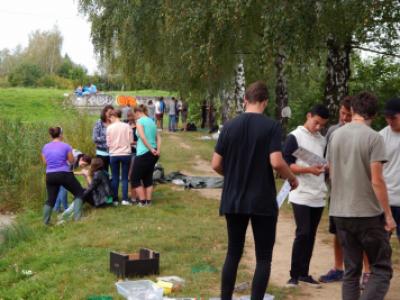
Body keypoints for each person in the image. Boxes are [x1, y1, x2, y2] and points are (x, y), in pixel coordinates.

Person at [211, 81, 298, 299]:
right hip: (262, 199)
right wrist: (292, 178)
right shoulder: (271, 126)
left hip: (233, 198)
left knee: (233, 252)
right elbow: (277, 162)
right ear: (265, 102)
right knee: (263, 257)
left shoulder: (229, 126)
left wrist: (231, 176)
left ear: (245, 100)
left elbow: (215, 164)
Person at [328, 92, 396, 300]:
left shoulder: (335, 135)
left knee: (351, 271)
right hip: (367, 213)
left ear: (353, 110)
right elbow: (377, 180)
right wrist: (388, 215)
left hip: (340, 211)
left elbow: (331, 172)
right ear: (374, 114)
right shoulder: (374, 138)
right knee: (382, 269)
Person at [283, 104, 330, 287]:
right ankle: (293, 275)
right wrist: (308, 169)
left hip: (318, 194)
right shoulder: (295, 137)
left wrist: (324, 168)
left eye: (322, 125)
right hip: (300, 192)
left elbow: (323, 163)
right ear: (308, 116)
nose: (318, 127)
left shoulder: (322, 140)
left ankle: (304, 273)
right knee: (302, 232)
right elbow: (287, 165)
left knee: (311, 235)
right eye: (316, 122)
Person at [319, 96, 353, 283]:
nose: (344, 118)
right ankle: (338, 268)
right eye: (342, 113)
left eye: (348, 115)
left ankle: (365, 272)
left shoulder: (363, 132)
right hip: (335, 192)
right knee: (337, 232)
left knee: (358, 234)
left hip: (355, 193)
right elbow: (324, 157)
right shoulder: (332, 131)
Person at [41, 127, 85, 224]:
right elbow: (71, 161)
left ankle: (45, 222)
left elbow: (45, 162)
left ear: (51, 135)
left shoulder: (45, 147)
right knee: (79, 192)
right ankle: (78, 218)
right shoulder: (66, 146)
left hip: (50, 175)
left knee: (51, 199)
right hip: (64, 174)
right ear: (61, 135)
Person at [131, 104, 161, 206]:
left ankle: (142, 202)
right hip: (154, 154)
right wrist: (157, 150)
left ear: (137, 112)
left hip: (144, 153)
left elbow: (143, 137)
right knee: (147, 178)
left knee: (134, 178)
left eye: (134, 114)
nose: (134, 117)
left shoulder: (139, 121)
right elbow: (159, 138)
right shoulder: (152, 121)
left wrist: (151, 149)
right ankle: (149, 202)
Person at [380, 97, 400, 245]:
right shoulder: (381, 137)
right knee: (380, 244)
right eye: (387, 117)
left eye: (393, 117)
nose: (389, 121)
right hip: (386, 200)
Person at [106, 109, 133, 205]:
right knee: (125, 177)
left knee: (115, 177)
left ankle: (115, 199)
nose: (109, 119)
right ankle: (125, 199)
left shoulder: (109, 128)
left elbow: (108, 144)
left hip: (114, 154)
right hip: (126, 154)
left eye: (110, 117)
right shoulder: (127, 126)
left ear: (113, 116)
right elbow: (131, 141)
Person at [93, 105, 114, 174]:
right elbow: (95, 138)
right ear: (105, 113)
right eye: (109, 113)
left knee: (114, 174)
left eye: (112, 113)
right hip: (101, 153)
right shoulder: (99, 123)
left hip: (113, 152)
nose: (111, 115)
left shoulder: (115, 123)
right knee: (103, 174)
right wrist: (107, 137)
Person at [127, 110, 139, 204]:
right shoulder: (126, 126)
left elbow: (141, 140)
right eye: (128, 116)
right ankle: (133, 193)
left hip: (136, 152)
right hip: (127, 153)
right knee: (129, 175)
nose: (130, 118)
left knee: (133, 175)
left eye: (131, 116)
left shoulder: (138, 127)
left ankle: (134, 196)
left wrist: (133, 143)